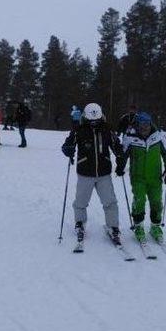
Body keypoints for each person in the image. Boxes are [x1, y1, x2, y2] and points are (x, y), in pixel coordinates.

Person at [61, 103, 124, 245]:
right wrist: (68, 149)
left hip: (104, 173)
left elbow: (116, 145)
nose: (94, 123)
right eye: (92, 121)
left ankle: (113, 226)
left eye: (97, 120)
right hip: (85, 172)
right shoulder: (79, 130)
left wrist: (120, 157)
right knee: (81, 202)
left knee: (110, 201)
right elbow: (66, 145)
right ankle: (79, 223)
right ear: (86, 118)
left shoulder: (107, 129)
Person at [116, 112, 166, 244]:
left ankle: (155, 227)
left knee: (156, 202)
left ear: (150, 124)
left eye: (147, 125)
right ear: (137, 124)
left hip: (155, 177)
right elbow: (123, 154)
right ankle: (138, 227)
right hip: (138, 177)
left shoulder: (158, 136)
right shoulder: (130, 137)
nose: (144, 128)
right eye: (141, 125)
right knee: (139, 200)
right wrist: (120, 166)